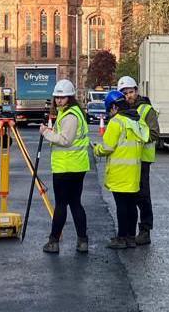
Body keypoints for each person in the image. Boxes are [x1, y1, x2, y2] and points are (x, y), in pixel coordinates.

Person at [38, 79, 91, 255]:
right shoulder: (72, 112)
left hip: (66, 168)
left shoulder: (70, 115)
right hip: (77, 166)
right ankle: (82, 241)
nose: (59, 100)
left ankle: (54, 241)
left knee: (62, 205)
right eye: (57, 97)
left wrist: (46, 133)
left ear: (70, 97)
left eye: (63, 97)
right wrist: (52, 132)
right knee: (75, 203)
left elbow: (65, 140)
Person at [93, 90, 148, 249]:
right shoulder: (136, 120)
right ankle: (131, 237)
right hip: (134, 172)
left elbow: (107, 147)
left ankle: (121, 238)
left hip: (120, 172)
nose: (109, 113)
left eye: (110, 109)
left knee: (121, 207)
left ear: (115, 107)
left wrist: (97, 149)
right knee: (131, 206)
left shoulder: (117, 122)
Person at [118, 75, 159, 246]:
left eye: (131, 92)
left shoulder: (146, 109)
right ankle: (130, 231)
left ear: (136, 91)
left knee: (142, 196)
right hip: (128, 159)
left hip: (142, 159)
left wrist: (137, 139)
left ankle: (145, 230)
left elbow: (154, 133)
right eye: (125, 93)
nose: (128, 96)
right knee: (130, 196)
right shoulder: (123, 111)